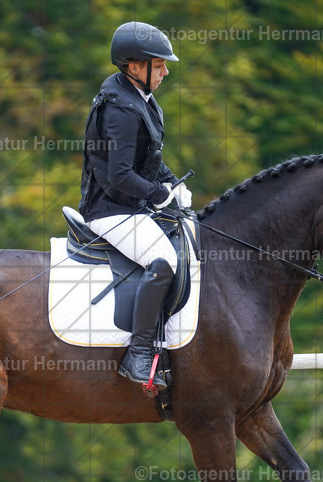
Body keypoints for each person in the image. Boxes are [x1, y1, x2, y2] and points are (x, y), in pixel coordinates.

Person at [79, 21, 191, 389]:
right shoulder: (120, 110)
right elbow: (118, 177)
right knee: (164, 262)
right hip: (109, 209)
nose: (166, 71)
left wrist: (172, 183)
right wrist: (157, 194)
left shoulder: (140, 98)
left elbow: (151, 160)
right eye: (158, 65)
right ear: (134, 66)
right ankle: (139, 354)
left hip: (131, 205)